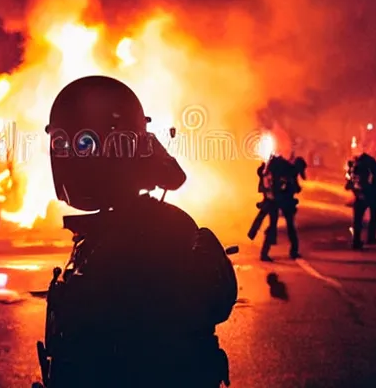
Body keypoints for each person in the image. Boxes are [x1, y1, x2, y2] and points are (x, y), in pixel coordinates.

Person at [35, 76, 237, 388]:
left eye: (82, 143)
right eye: (64, 144)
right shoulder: (125, 230)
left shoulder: (152, 231)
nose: (68, 154)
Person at [260, 155, 303, 261]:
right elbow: (293, 188)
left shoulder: (286, 170)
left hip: (276, 200)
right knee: (287, 227)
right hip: (280, 201)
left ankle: (265, 253)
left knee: (275, 225)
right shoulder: (289, 172)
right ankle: (293, 251)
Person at [347, 152, 376, 249]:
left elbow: (350, 183)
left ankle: (356, 241)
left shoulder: (354, 168)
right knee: (372, 217)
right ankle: (370, 237)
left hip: (360, 195)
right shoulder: (371, 167)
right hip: (371, 194)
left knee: (358, 219)